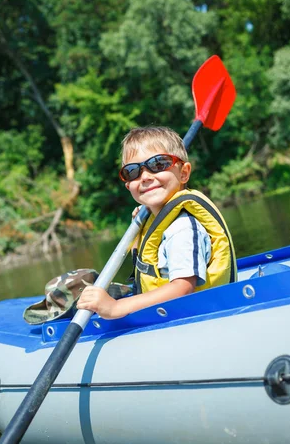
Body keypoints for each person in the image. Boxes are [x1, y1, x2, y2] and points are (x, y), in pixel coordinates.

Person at [76, 126, 237, 320]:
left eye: (159, 164)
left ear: (184, 173)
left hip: (196, 318)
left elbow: (182, 288)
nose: (145, 177)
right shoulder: (153, 220)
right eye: (133, 171)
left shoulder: (182, 229)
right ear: (128, 185)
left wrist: (117, 308)